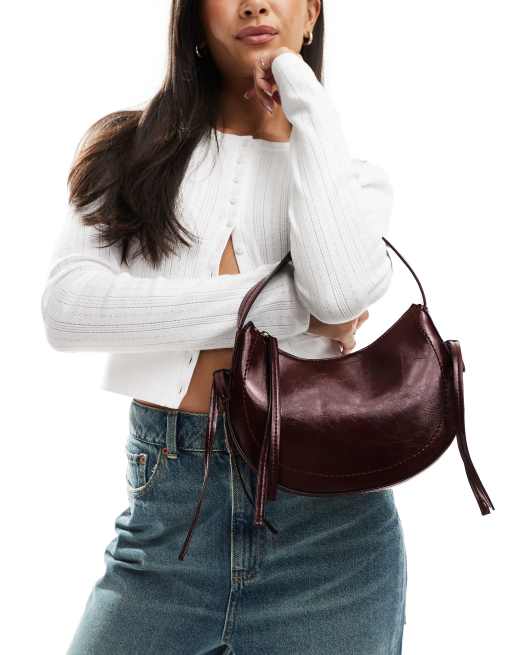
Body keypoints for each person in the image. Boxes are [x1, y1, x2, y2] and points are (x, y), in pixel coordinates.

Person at [41, 1, 407, 653]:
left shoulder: (353, 181)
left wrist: (305, 99)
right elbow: (69, 310)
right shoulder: (128, 152)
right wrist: (278, 305)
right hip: (169, 516)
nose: (254, 3)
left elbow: (336, 292)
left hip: (332, 535)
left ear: (312, 13)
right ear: (193, 15)